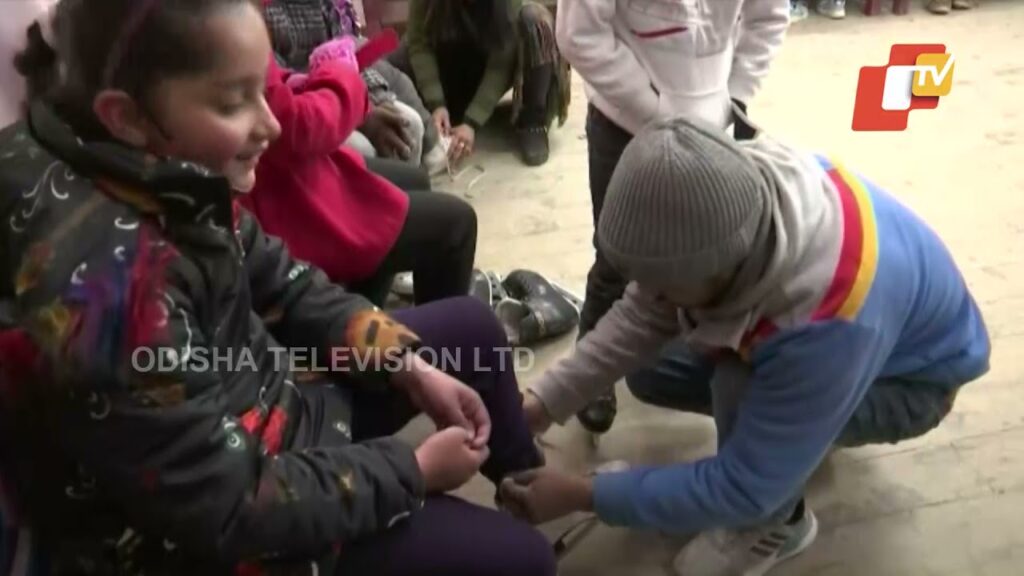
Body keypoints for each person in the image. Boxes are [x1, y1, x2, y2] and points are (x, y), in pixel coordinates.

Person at [0, 2, 556, 576]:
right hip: (212, 535)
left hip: (265, 409)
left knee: (472, 332)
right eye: (233, 102)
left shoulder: (156, 171)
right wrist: (410, 471)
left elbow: (285, 282)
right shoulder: (112, 297)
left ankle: (531, 490)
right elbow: (230, 508)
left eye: (262, 90)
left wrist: (403, 363)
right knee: (522, 562)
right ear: (125, 115)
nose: (270, 124)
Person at [501, 118, 991, 575]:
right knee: (653, 370)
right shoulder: (734, 191)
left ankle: (780, 523)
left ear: (719, 270)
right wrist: (543, 404)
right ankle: (799, 436)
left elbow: (743, 486)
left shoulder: (826, 320)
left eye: (663, 286)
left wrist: (586, 495)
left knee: (737, 381)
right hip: (850, 351)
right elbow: (643, 313)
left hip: (909, 386)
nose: (649, 295)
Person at [558, 0, 790, 435]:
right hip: (624, 118)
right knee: (616, 256)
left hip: (715, 116)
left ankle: (691, 349)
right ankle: (592, 373)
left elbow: (770, 15)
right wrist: (657, 112)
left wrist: (737, 92)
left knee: (707, 250)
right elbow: (579, 33)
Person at [242, 33, 478, 307]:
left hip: (307, 126)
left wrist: (362, 102)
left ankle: (367, 299)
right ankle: (359, 304)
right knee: (458, 225)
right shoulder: (230, 26)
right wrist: (342, 76)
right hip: (279, 189)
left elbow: (279, 85)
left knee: (414, 175)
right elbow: (289, 124)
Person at [264, 0, 446, 173]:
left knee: (409, 123)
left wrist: (374, 99)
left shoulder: (325, 4)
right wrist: (358, 114)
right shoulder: (263, 14)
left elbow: (347, 56)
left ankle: (427, 163)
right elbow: (283, 97)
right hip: (308, 114)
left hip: (340, 93)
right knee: (362, 148)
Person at [391, 0, 570, 167]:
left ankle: (533, 122)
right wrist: (436, 103)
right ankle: (447, 112)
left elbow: (503, 57)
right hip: (451, 52)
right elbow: (419, 42)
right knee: (387, 69)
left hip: (492, 51)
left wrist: (472, 121)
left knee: (535, 22)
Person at [0, 0, 58, 128]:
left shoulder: (37, 34)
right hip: (48, 95)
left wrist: (17, 59)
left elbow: (25, 65)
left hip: (39, 94)